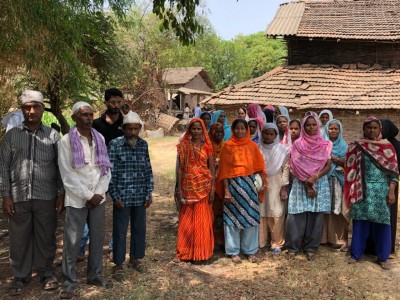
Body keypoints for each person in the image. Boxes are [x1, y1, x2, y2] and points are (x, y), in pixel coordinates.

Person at [0, 90, 64, 296]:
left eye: (36, 107)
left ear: (42, 109)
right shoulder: (11, 136)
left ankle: (46, 272)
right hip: (18, 196)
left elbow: (61, 166)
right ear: (22, 110)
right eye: (27, 107)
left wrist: (61, 193)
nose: (31, 111)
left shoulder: (53, 135)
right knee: (19, 237)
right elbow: (3, 167)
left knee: (46, 235)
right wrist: (6, 195)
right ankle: (20, 275)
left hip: (46, 195)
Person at [58, 102, 112, 298]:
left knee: (98, 239)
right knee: (72, 242)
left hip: (98, 198)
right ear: (74, 118)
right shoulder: (65, 141)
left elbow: (105, 170)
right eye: (83, 115)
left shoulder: (100, 139)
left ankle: (95, 275)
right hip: (76, 199)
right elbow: (67, 175)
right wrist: (89, 196)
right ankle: (69, 281)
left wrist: (98, 194)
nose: (88, 118)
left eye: (90, 114)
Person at [345, 117, 398, 270]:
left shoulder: (388, 148)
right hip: (362, 190)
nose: (372, 131)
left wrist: (392, 190)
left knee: (382, 224)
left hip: (381, 191)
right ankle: (356, 255)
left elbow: (394, 172)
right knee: (360, 223)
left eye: (375, 128)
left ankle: (382, 257)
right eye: (369, 128)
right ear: (364, 129)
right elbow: (350, 168)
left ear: (379, 129)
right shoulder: (357, 146)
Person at [108, 112, 154, 280]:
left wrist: (149, 191)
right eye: (130, 129)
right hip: (122, 195)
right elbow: (109, 172)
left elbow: (147, 168)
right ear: (124, 129)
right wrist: (114, 195)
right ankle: (118, 263)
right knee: (120, 230)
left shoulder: (143, 145)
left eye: (136, 128)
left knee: (139, 228)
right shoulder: (115, 145)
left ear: (140, 129)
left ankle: (136, 258)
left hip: (140, 194)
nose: (133, 132)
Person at [216, 119, 267, 263]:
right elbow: (224, 172)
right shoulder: (228, 146)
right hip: (233, 187)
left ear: (247, 130)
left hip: (250, 187)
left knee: (250, 217)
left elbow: (259, 167)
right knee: (232, 219)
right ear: (232, 130)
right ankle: (233, 251)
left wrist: (263, 184)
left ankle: (250, 251)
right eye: (237, 128)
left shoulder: (252, 146)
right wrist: (226, 190)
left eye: (243, 128)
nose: (240, 131)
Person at [286, 112, 332, 261]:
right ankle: (293, 246)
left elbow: (328, 165)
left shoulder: (325, 144)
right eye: (308, 125)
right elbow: (294, 166)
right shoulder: (298, 144)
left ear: (318, 126)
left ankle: (311, 248)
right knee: (296, 215)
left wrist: (315, 177)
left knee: (315, 216)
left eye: (314, 124)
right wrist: (307, 184)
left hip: (319, 182)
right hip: (301, 183)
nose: (311, 127)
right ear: (303, 127)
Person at [91, 88, 125, 257]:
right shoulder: (96, 124)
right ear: (106, 103)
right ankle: (85, 245)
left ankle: (114, 246)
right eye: (113, 102)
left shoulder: (126, 124)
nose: (116, 105)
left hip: (121, 174)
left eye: (119, 102)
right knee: (93, 206)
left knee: (119, 209)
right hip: (98, 172)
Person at [176, 118, 215, 262]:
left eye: (199, 129)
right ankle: (185, 252)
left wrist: (212, 190)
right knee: (187, 221)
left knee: (202, 221)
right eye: (194, 129)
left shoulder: (207, 146)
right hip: (187, 186)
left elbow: (211, 169)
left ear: (203, 130)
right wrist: (179, 188)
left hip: (203, 187)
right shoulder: (184, 145)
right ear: (189, 130)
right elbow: (180, 168)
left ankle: (201, 254)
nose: (197, 131)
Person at [259, 123, 289, 255]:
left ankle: (277, 243)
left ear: (276, 135)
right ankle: (261, 242)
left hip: (277, 182)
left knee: (277, 213)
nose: (268, 136)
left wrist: (283, 188)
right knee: (261, 212)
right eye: (266, 133)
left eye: (271, 134)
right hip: (260, 183)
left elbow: (286, 170)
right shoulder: (257, 148)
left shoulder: (283, 150)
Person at [321, 119, 349, 251]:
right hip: (324, 180)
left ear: (340, 130)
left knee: (337, 210)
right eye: (330, 128)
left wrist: (333, 158)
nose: (333, 131)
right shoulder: (322, 144)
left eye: (335, 129)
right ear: (326, 129)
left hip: (338, 180)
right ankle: (323, 238)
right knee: (324, 209)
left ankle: (337, 239)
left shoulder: (344, 146)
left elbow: (348, 162)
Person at [381, 119, 400, 254]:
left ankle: (386, 247)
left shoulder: (395, 146)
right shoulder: (375, 144)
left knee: (388, 215)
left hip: (390, 185)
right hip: (376, 185)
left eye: (382, 128)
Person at [209, 122, 225, 248]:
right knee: (212, 212)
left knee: (222, 212)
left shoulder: (226, 146)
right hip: (210, 183)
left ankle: (221, 240)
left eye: (221, 132)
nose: (219, 134)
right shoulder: (207, 146)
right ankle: (211, 239)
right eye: (216, 132)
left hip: (223, 183)